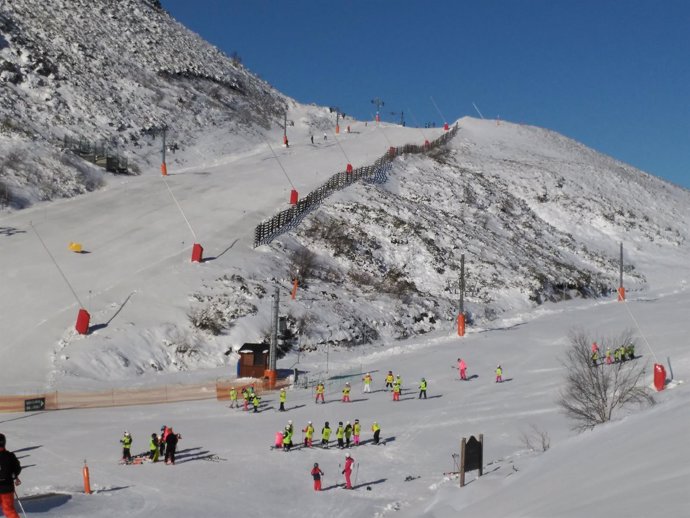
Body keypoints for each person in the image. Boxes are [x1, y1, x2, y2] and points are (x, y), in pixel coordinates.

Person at [0, 433, 21, 518]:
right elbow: (17, 468)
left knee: (8, 509)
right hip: (7, 487)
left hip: (6, 487)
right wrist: (14, 475)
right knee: (8, 509)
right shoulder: (10, 456)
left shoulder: (10, 456)